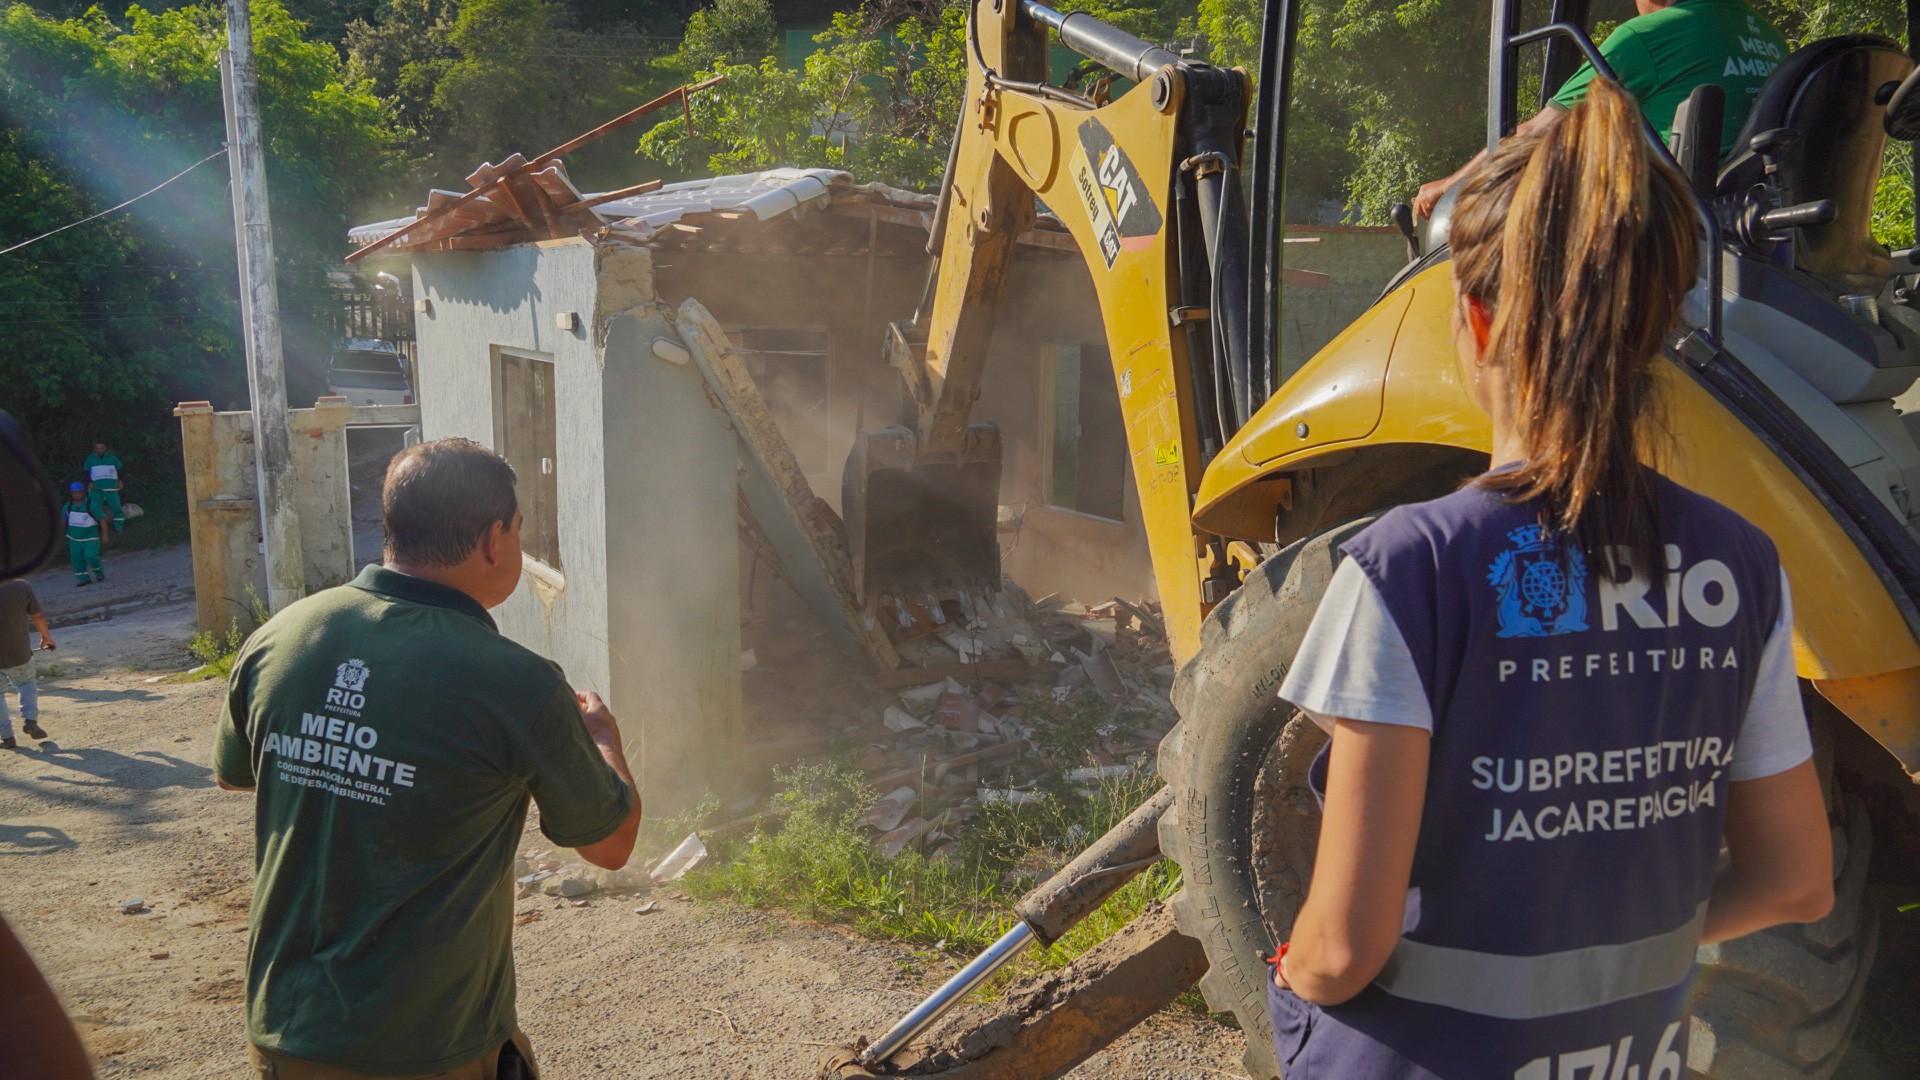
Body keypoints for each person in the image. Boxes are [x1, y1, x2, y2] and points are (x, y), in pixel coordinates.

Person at [1267, 79, 1835, 1078]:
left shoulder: (1412, 569)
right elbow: (1797, 883)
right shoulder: (1743, 566)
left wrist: (1296, 978)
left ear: (1473, 322)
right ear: (1658, 331)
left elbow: (1344, 950)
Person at [213, 437, 641, 1079]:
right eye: (519, 537)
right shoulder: (518, 684)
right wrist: (603, 738)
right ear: (494, 540)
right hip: (429, 1048)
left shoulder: (281, 637)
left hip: (285, 1037)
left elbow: (235, 775)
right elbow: (610, 846)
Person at [1413, 0, 1789, 218]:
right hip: (1755, 211)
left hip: (1674, 224)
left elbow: (1535, 133)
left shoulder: (1648, 36)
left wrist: (1447, 187)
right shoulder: (1767, 35)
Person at [0, 577, 55, 749]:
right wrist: (46, 637)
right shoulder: (19, 585)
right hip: (18, 652)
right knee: (26, 682)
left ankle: (7, 738)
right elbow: (37, 615)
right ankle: (30, 720)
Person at [62, 483, 104, 587]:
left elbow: (102, 520)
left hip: (91, 537)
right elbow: (62, 520)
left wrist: (105, 534)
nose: (77, 495)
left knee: (90, 555)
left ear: (84, 493)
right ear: (71, 494)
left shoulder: (92, 505)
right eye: (75, 493)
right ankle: (83, 578)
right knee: (76, 558)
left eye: (79, 493)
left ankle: (98, 571)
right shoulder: (68, 506)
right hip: (74, 538)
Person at [81, 441, 126, 535]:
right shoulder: (91, 458)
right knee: (94, 509)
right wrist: (89, 482)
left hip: (112, 488)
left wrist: (120, 480)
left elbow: (120, 469)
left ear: (105, 448)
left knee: (117, 508)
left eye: (102, 448)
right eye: (97, 448)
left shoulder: (112, 458)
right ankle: (96, 530)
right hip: (96, 489)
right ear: (95, 449)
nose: (100, 450)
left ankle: (119, 528)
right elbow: (85, 471)